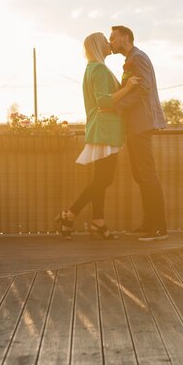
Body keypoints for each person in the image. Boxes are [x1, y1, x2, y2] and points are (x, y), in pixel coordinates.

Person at [55, 32, 139, 240]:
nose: (109, 43)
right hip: (105, 130)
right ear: (96, 46)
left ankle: (98, 221)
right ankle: (69, 214)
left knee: (100, 178)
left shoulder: (92, 68)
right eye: (105, 41)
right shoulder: (99, 69)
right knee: (104, 179)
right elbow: (104, 102)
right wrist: (128, 87)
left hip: (102, 128)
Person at [109, 25, 168, 242]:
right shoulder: (131, 59)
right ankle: (149, 223)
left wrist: (118, 106)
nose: (110, 42)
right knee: (141, 175)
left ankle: (159, 228)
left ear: (125, 37)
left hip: (141, 124)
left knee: (147, 174)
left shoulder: (138, 58)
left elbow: (144, 89)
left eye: (113, 38)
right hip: (134, 126)